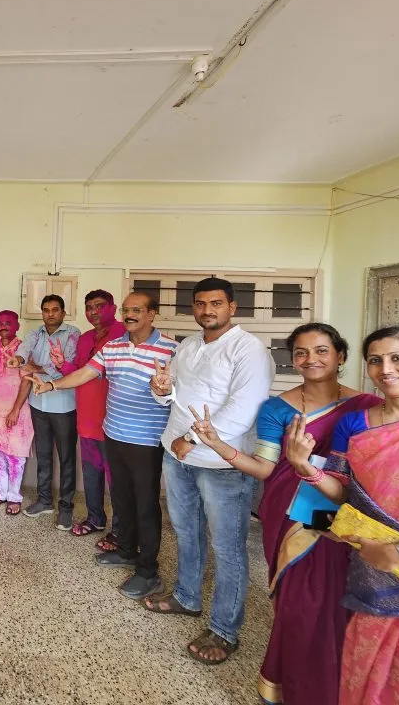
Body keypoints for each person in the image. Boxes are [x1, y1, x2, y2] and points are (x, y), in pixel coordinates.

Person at [186, 323, 380, 704]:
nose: (312, 359)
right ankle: (291, 686)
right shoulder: (277, 408)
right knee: (303, 601)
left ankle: (343, 684)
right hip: (294, 513)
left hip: (347, 511)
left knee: (344, 597)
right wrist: (217, 444)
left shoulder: (367, 407)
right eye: (302, 353)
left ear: (340, 356)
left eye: (322, 351)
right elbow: (264, 467)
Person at [289, 326, 399, 705]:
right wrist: (308, 469)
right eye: (376, 360)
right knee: (372, 678)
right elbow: (344, 493)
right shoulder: (355, 424)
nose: (386, 368)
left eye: (398, 358)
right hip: (372, 576)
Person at [143, 277, 274, 664]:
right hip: (178, 455)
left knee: (228, 548)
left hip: (222, 464)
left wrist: (193, 440)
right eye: (200, 304)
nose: (207, 310)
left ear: (232, 307)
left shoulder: (248, 350)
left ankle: (224, 629)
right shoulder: (188, 345)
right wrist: (161, 389)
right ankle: (187, 596)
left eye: (216, 303)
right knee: (186, 531)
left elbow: (243, 408)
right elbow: (173, 398)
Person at [31, 292, 176, 599]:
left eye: (138, 309)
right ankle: (125, 551)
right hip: (114, 433)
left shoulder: (170, 349)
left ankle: (149, 572)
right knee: (121, 499)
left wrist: (165, 391)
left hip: (146, 440)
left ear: (152, 314)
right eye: (127, 310)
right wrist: (52, 384)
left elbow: (177, 395)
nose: (130, 314)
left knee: (146, 506)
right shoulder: (114, 346)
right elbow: (86, 373)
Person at [57, 290, 126, 545]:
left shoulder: (123, 334)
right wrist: (62, 365)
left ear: (114, 308)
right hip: (86, 420)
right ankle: (95, 518)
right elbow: (79, 372)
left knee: (116, 481)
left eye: (99, 306)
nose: (93, 312)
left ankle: (121, 530)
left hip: (114, 423)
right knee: (92, 474)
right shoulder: (85, 338)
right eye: (89, 307)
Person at [7, 294, 80, 530]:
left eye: (55, 309)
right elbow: (24, 350)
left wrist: (35, 367)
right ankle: (45, 500)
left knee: (67, 458)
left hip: (64, 406)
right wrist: (18, 359)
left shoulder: (72, 334)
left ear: (63, 312)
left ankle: (66, 507)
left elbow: (66, 368)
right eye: (46, 310)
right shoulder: (35, 333)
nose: (50, 314)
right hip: (38, 404)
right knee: (44, 455)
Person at [0, 311, 34, 515]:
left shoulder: (23, 349)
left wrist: (15, 410)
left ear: (17, 326)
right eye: (1, 323)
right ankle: (0, 493)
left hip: (15, 412)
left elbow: (27, 380)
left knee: (15, 457)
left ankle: (14, 496)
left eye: (8, 323)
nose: (3, 327)